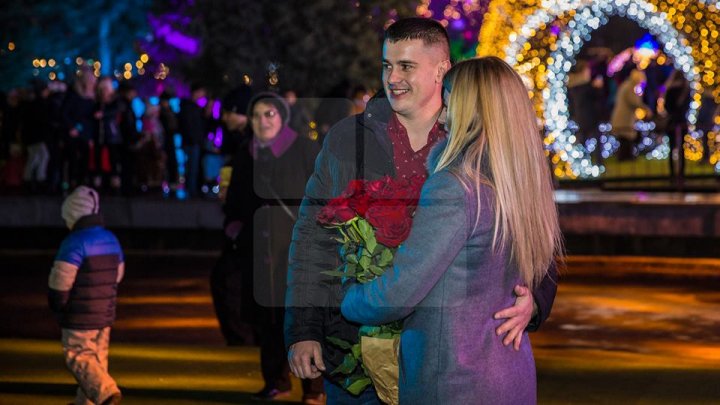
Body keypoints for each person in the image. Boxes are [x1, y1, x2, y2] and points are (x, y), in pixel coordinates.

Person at [285, 17, 559, 404]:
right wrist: (304, 328)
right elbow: (313, 238)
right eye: (386, 65)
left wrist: (534, 300)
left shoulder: (483, 141)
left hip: (446, 359)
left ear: (441, 70)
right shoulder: (349, 140)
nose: (392, 78)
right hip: (355, 357)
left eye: (406, 66)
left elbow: (536, 233)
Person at [226, 92, 324, 403]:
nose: (263, 121)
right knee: (267, 321)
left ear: (282, 117)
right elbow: (235, 204)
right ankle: (276, 380)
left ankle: (313, 388)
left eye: (270, 114)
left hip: (297, 250)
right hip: (259, 253)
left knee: (301, 318)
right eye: (256, 115)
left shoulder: (305, 150)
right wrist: (236, 230)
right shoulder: (246, 155)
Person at [48, 185, 124, 405]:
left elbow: (61, 280)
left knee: (78, 353)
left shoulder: (73, 243)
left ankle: (106, 393)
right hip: (104, 313)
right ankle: (86, 402)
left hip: (79, 314)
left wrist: (58, 303)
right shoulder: (111, 239)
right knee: (98, 358)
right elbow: (118, 275)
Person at [211, 84, 254, 346]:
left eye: (229, 112)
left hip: (246, 226)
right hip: (244, 224)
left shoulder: (248, 145)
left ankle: (243, 339)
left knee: (227, 281)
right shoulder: (241, 144)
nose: (224, 117)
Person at [610, 69, 652, 161]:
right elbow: (634, 101)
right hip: (624, 118)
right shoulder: (629, 87)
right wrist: (646, 108)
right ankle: (625, 157)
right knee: (625, 137)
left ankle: (626, 157)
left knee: (625, 138)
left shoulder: (626, 85)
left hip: (623, 117)